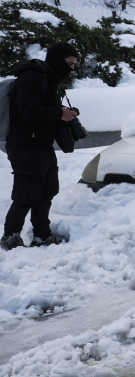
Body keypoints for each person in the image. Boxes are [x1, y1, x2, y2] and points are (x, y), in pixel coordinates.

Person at [2, 43, 79, 250]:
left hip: (42, 145)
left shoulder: (51, 80)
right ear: (58, 60)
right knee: (26, 194)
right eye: (69, 64)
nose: (72, 69)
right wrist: (58, 113)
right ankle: (10, 236)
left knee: (47, 191)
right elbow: (28, 110)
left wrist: (63, 111)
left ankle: (42, 236)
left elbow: (43, 108)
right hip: (25, 145)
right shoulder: (32, 77)